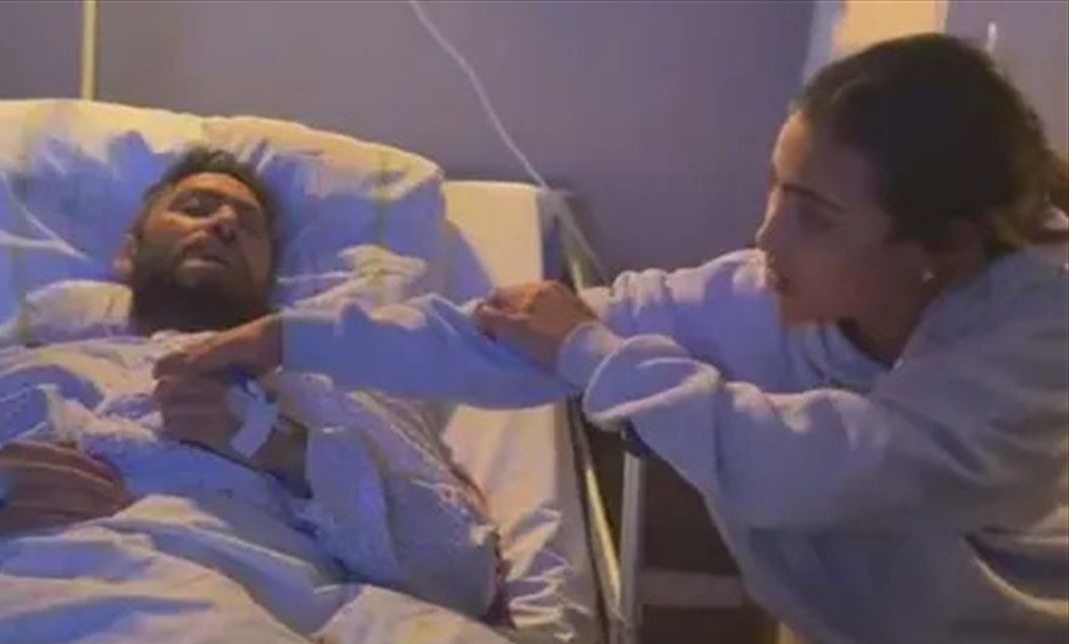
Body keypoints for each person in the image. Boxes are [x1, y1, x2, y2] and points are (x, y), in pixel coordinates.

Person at [157, 35, 1069, 643]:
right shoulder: (753, 293)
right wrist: (285, 337)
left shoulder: (1034, 340)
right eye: (777, 189)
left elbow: (831, 471)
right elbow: (501, 340)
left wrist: (591, 354)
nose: (767, 237)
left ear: (941, 248)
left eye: (816, 215)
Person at [0, 149, 507, 643]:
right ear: (127, 253)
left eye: (247, 227)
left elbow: (457, 574)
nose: (222, 222)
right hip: (7, 603)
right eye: (197, 207)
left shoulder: (330, 389)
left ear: (269, 279)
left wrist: (280, 447)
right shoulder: (18, 376)